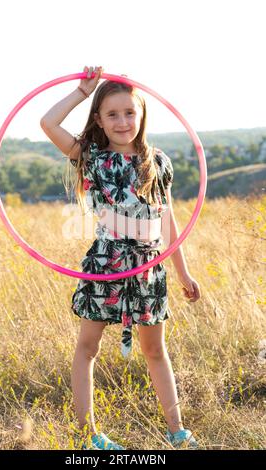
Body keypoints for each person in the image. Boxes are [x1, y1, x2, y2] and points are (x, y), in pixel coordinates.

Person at [40, 66, 201, 450]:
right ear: (99, 119)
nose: (122, 121)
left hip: (148, 268)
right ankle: (88, 436)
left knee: (154, 350)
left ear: (142, 115)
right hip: (106, 264)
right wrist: (82, 91)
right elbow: (48, 122)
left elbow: (167, 218)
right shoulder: (91, 156)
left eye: (129, 112)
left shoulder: (157, 161)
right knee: (88, 347)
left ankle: (177, 431)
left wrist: (183, 273)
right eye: (112, 114)